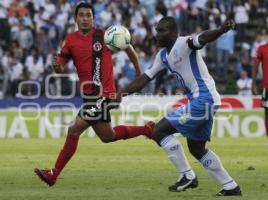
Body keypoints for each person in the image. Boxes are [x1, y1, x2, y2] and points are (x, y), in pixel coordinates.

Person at [116, 16, 242, 196]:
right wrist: (121, 93)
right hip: (203, 101)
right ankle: (231, 187)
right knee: (197, 149)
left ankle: (187, 176)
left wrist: (221, 30)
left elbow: (203, 38)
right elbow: (145, 78)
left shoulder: (184, 43)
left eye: (162, 31)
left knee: (159, 131)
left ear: (174, 33)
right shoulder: (162, 56)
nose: (157, 34)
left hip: (204, 99)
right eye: (157, 30)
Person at [34, 2, 154, 186]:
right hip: (89, 97)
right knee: (108, 136)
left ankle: (53, 174)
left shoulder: (105, 36)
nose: (85, 18)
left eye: (88, 15)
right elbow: (60, 63)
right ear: (76, 18)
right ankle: (148, 129)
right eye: (81, 15)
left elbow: (130, 50)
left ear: (93, 18)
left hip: (105, 94)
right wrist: (56, 66)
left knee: (74, 129)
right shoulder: (71, 40)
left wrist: (139, 75)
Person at [252, 41, 268, 137]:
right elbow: (256, 65)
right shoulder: (262, 48)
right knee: (267, 112)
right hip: (267, 87)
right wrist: (253, 83)